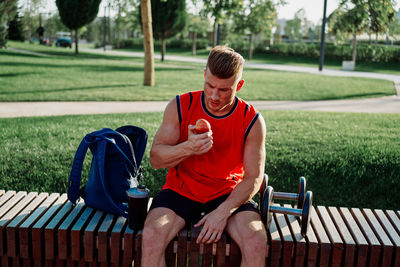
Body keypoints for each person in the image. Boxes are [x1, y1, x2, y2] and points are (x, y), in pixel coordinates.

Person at [142, 45, 267, 267]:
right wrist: (188, 148)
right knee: (151, 236)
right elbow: (155, 159)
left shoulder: (252, 120)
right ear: (204, 75)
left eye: (224, 90)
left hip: (226, 193)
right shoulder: (180, 105)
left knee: (256, 241)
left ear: (239, 85)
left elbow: (254, 178)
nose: (214, 95)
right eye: (210, 85)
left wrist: (223, 212)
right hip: (181, 190)